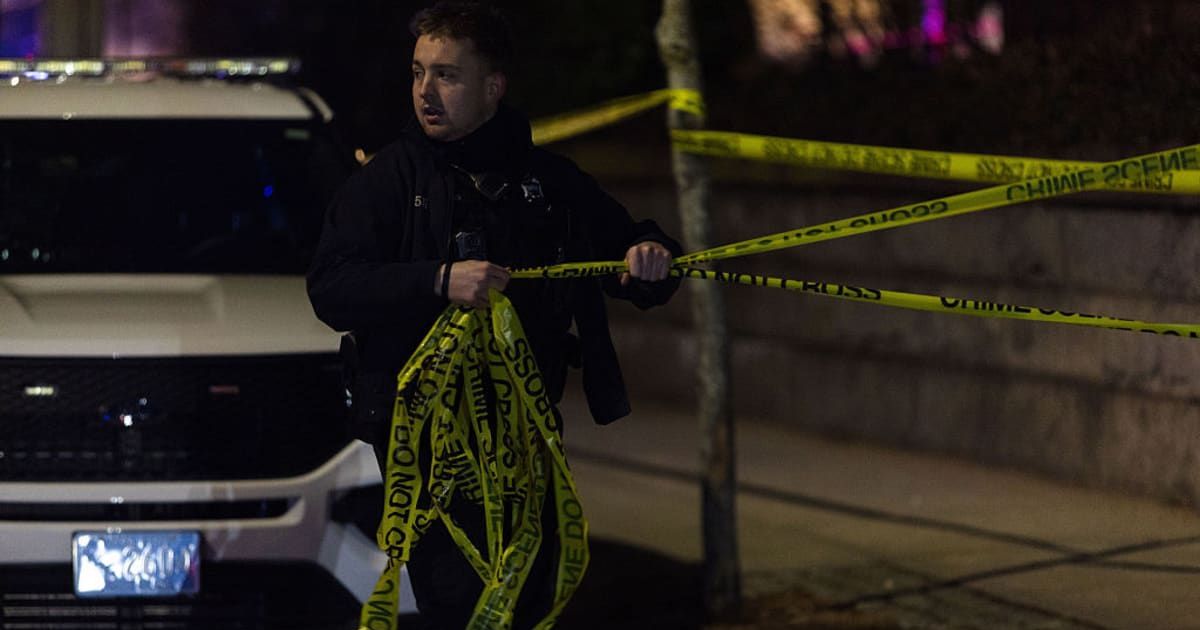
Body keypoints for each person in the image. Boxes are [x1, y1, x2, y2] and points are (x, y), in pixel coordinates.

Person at [307, 2, 682, 628]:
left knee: (533, 596)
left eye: (447, 75)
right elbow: (332, 287)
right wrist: (437, 280)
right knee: (462, 600)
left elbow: (635, 249)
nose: (426, 92)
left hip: (526, 436)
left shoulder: (547, 179)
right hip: (429, 441)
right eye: (418, 72)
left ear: (493, 87)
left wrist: (649, 258)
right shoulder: (389, 181)